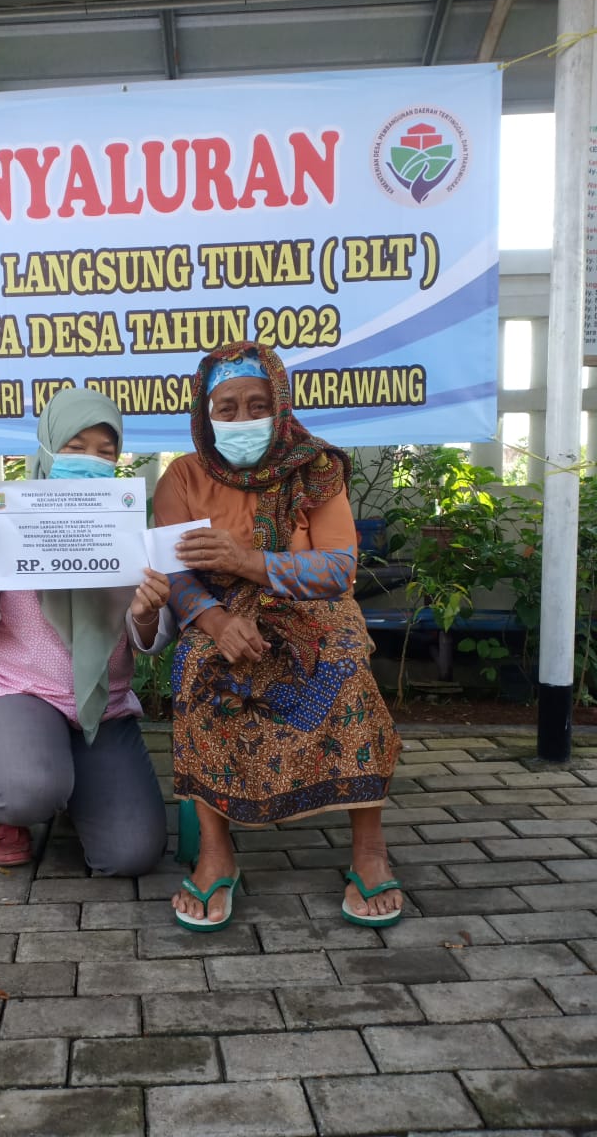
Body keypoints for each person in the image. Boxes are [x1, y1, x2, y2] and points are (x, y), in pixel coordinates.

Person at [153, 341, 403, 931]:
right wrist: (217, 623)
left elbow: (337, 569)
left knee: (345, 661)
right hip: (221, 612)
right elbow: (176, 574)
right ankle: (217, 852)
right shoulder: (182, 477)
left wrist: (248, 560)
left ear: (281, 405)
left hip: (310, 608)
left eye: (257, 405)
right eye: (227, 408)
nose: (242, 419)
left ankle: (369, 850)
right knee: (197, 665)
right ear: (205, 414)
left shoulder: (316, 471)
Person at [0, 387, 171, 875]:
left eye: (106, 452)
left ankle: (67, 788)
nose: (91, 461)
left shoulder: (129, 527)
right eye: (75, 447)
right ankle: (6, 809)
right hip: (16, 691)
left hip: (102, 705)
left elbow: (149, 640)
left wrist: (147, 612)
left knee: (133, 853)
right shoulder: (2, 522)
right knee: (27, 788)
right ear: (45, 448)